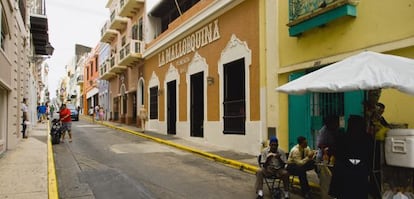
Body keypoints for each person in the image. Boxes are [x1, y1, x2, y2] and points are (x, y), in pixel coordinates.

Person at [329, 115, 373, 199]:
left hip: (344, 174)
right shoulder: (367, 138)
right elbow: (370, 155)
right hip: (360, 174)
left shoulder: (341, 137)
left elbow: (335, 153)